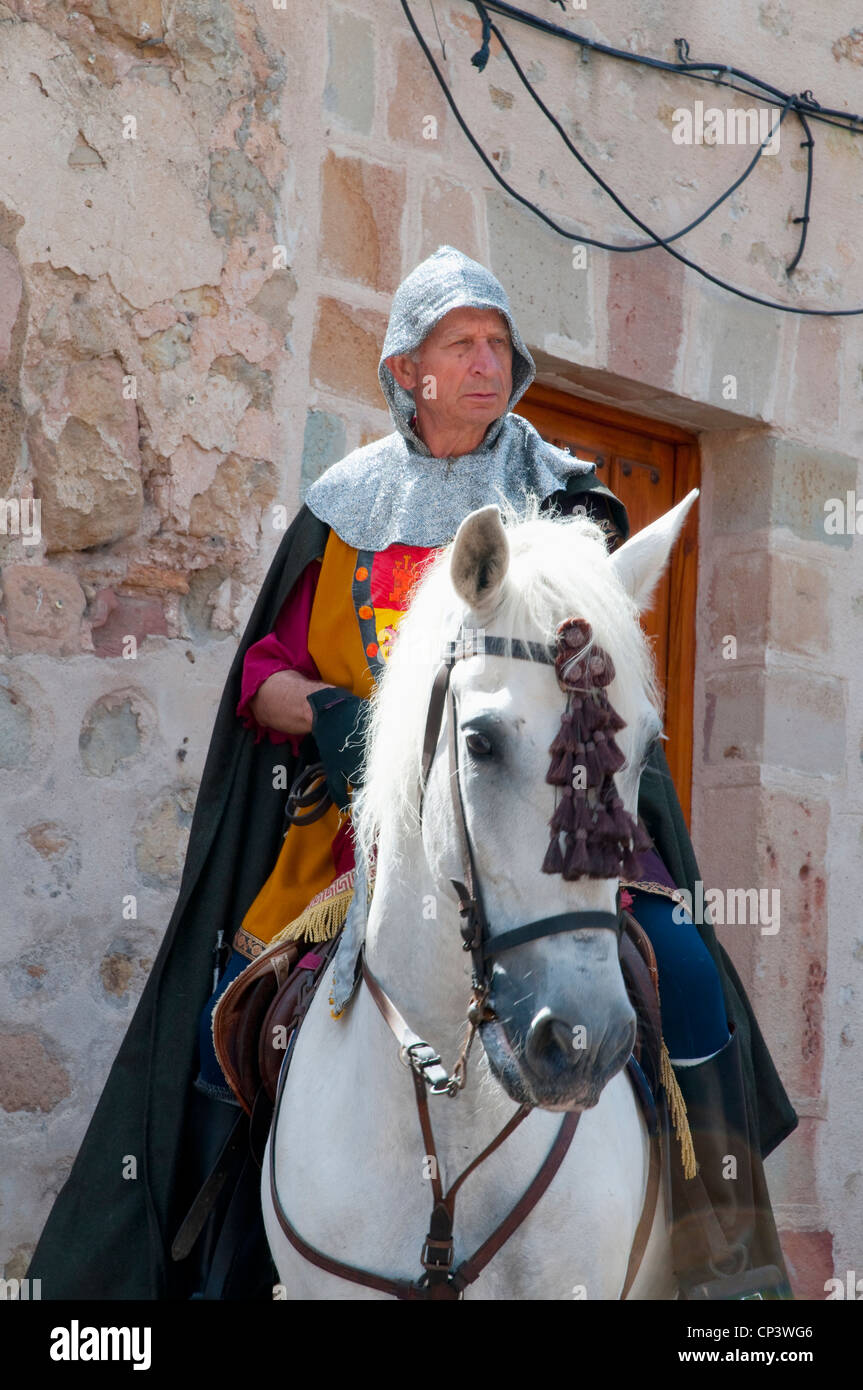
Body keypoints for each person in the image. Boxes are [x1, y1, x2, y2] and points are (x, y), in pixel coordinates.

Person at [30, 246, 797, 1301]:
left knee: (690, 974)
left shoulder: (564, 499)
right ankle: (218, 1262)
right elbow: (263, 678)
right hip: (359, 846)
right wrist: (349, 719)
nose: (488, 363)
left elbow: (589, 664)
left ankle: (729, 1272)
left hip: (549, 829)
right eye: (460, 344)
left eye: (498, 344)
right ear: (404, 370)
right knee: (229, 1016)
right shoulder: (342, 511)